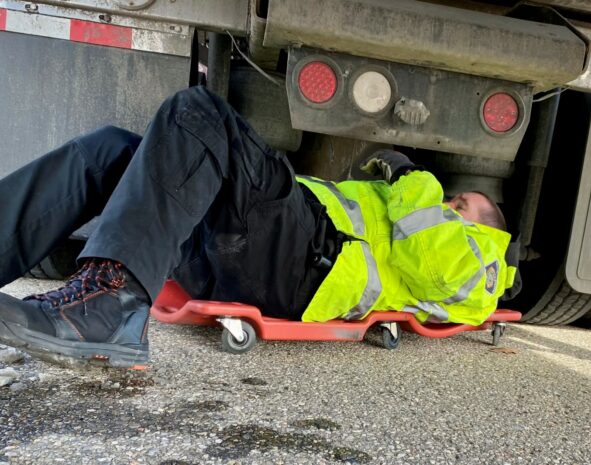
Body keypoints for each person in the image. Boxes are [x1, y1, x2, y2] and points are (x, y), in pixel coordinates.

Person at [0, 86, 517, 369]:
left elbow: (435, 266)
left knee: (199, 111)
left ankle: (110, 305)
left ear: (486, 222)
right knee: (110, 150)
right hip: (266, 247)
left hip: (309, 264)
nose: (450, 202)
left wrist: (413, 177)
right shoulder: (423, 214)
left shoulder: (482, 263)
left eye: (462, 203)